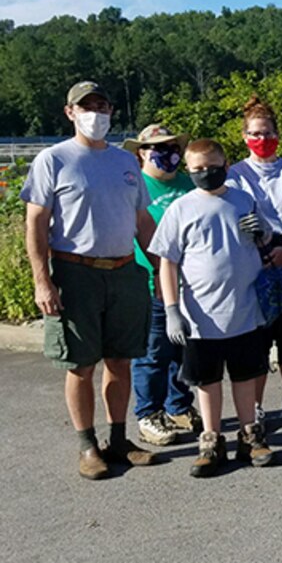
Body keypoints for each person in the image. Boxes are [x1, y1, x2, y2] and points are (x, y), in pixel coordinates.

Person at [21, 81, 158, 480]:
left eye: (101, 105)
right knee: (80, 364)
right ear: (70, 112)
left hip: (123, 271)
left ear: (112, 111)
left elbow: (142, 222)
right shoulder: (54, 160)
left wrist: (160, 267)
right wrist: (41, 280)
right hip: (75, 271)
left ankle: (119, 440)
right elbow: (36, 222)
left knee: (121, 360)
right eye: (86, 106)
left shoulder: (125, 162)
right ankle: (87, 445)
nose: (95, 113)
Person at [149, 139, 274, 478]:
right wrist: (173, 308)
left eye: (212, 166)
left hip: (244, 310)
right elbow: (167, 262)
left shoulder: (243, 199)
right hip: (200, 316)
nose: (206, 173)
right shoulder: (181, 208)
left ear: (226, 164)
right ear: (188, 171)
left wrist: (263, 232)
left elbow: (264, 238)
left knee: (245, 375)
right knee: (207, 380)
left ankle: (250, 435)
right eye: (198, 169)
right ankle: (212, 438)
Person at [225, 95, 282, 426]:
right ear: (244, 137)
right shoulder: (233, 174)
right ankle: (257, 406)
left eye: (267, 133)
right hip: (254, 261)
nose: (261, 140)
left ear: (277, 134)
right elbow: (232, 218)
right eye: (254, 134)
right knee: (258, 340)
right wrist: (262, 254)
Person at [122, 124, 201, 446]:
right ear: (141, 153)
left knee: (183, 350)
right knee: (153, 352)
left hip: (191, 280)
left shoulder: (188, 183)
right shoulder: (134, 186)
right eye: (157, 147)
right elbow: (135, 230)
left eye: (172, 147)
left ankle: (178, 405)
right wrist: (155, 269)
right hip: (151, 279)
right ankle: (148, 414)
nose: (167, 154)